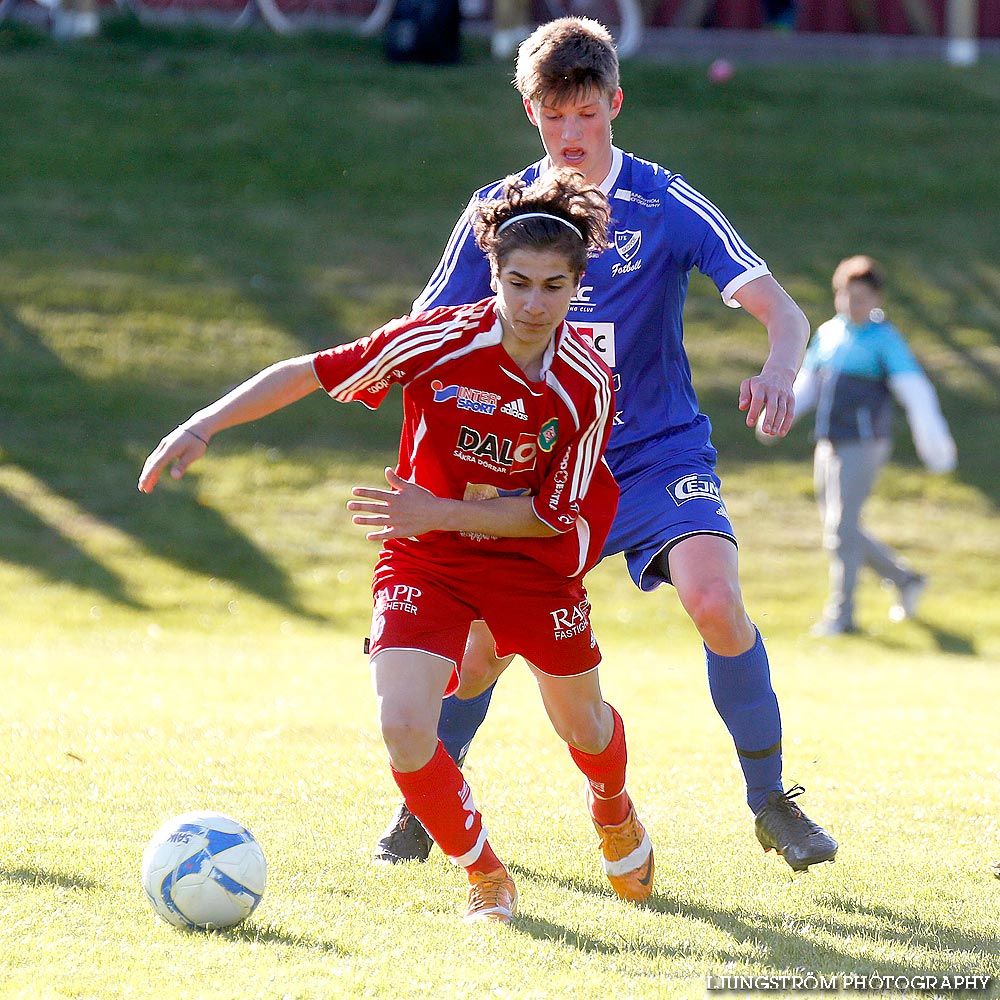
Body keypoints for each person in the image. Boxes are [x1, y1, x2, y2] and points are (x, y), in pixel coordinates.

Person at [373, 16, 838, 874]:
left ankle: (772, 799)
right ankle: (424, 804)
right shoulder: (501, 214)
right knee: (477, 656)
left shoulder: (663, 203)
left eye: (586, 114)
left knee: (714, 597)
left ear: (615, 104)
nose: (572, 135)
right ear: (530, 113)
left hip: (655, 457)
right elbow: (426, 323)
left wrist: (779, 368)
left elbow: (786, 309)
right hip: (534, 471)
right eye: (554, 117)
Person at [138, 169, 656, 923]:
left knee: (585, 725)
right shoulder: (440, 339)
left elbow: (552, 517)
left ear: (578, 285)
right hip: (427, 556)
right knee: (404, 726)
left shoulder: (587, 383)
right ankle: (484, 874)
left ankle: (612, 805)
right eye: (517, 283)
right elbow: (310, 372)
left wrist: (435, 507)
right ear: (494, 275)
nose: (533, 303)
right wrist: (202, 424)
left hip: (530, 567)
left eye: (552, 286)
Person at [774, 254, 956, 637]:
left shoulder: (884, 338)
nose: (851, 303)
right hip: (829, 440)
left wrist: (933, 439)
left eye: (860, 296)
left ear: (875, 298)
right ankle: (905, 579)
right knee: (837, 528)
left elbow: (914, 389)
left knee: (841, 527)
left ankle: (842, 616)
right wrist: (779, 413)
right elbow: (808, 383)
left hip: (865, 442)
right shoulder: (829, 332)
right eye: (845, 294)